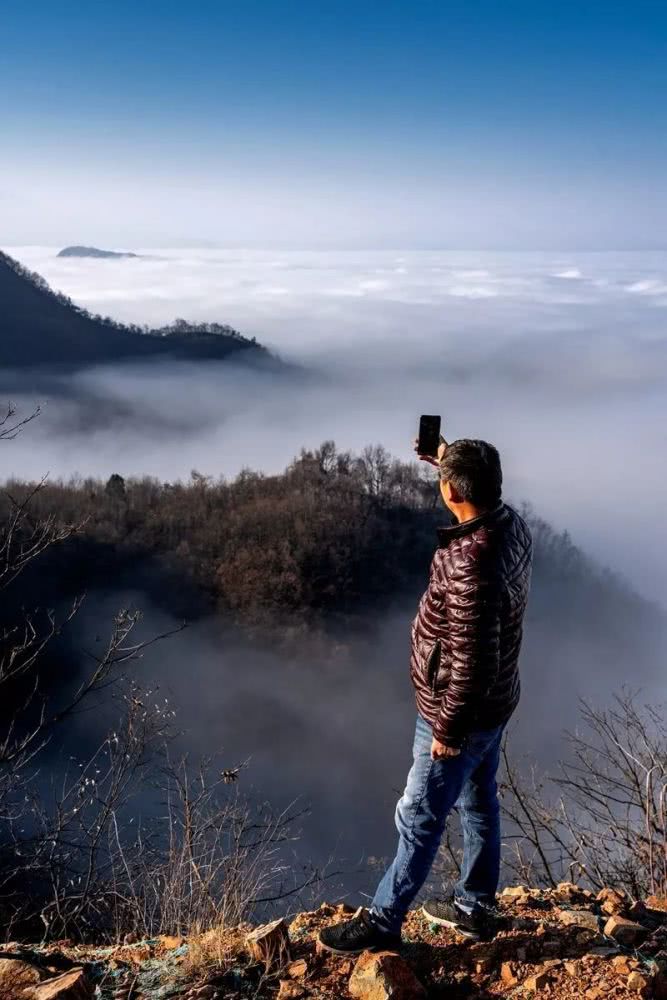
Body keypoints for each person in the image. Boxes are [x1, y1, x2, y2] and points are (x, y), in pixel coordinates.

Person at [319, 436, 533, 953]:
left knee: (420, 815)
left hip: (458, 712)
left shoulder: (470, 563)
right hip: (497, 702)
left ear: (453, 492)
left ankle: (382, 922)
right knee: (479, 800)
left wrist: (448, 731)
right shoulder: (509, 524)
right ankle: (474, 905)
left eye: (446, 479)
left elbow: (472, 659)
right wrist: (448, 458)